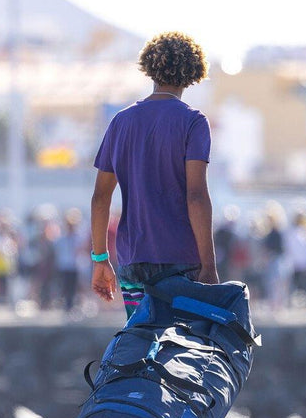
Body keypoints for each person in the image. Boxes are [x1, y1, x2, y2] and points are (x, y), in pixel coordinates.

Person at [90, 31, 217, 318]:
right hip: (181, 259)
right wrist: (209, 266)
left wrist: (100, 259)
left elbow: (100, 198)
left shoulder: (121, 122)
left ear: (150, 68)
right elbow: (196, 196)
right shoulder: (193, 122)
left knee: (143, 346)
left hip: (132, 259)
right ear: (194, 73)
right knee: (183, 349)